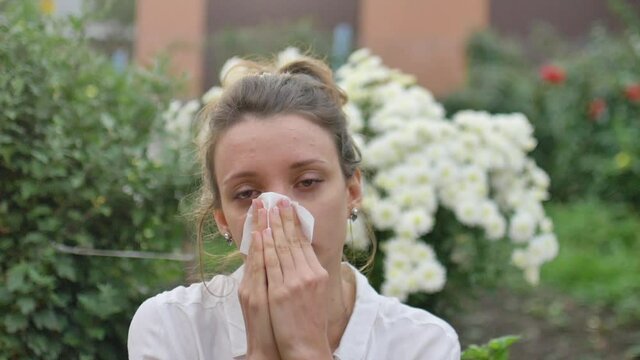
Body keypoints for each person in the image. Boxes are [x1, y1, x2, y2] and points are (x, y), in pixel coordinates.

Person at [128, 55, 460, 359]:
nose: (279, 212)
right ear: (223, 221)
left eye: (307, 182)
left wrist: (307, 349)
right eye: (247, 193)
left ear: (352, 191)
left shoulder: (422, 343)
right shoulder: (172, 326)